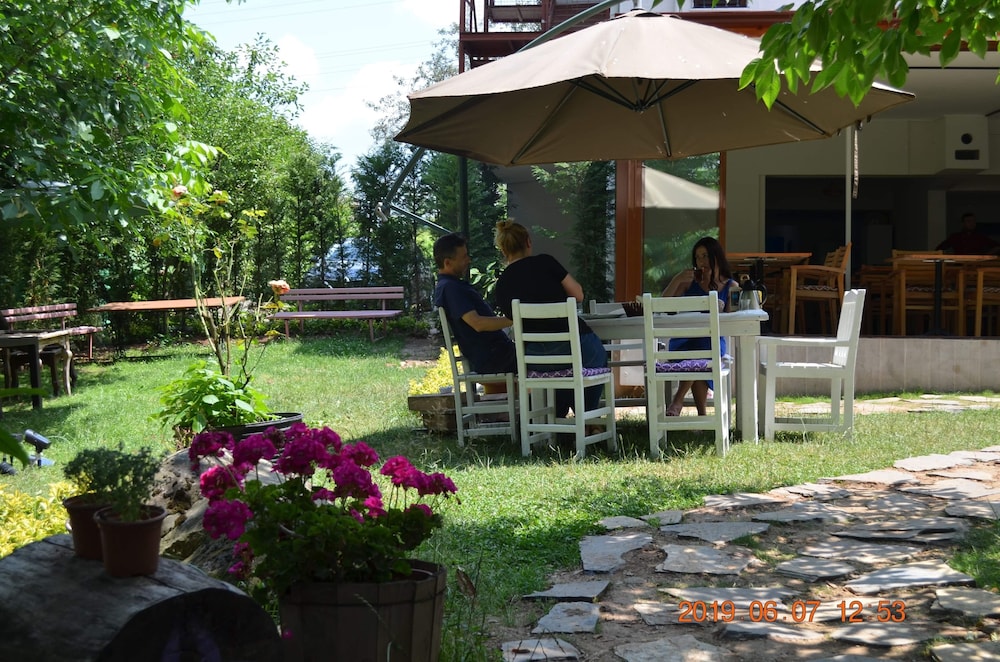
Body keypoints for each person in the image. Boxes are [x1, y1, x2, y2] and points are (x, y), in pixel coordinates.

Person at [492, 220, 608, 419]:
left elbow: (511, 319)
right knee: (597, 359)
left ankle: (558, 417)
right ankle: (589, 418)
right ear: (528, 242)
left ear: (503, 250)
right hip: (573, 348)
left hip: (536, 359)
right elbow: (578, 295)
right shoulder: (546, 263)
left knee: (559, 373)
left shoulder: (502, 284)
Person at [659, 236, 739, 417]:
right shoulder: (688, 283)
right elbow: (663, 305)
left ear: (716, 256)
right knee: (700, 355)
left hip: (712, 343)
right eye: (697, 257)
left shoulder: (731, 286)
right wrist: (677, 279)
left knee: (703, 349)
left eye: (705, 256)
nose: (701, 261)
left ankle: (677, 401)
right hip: (684, 341)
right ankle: (702, 416)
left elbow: (731, 320)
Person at [433, 233, 517, 375]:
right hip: (495, 358)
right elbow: (477, 323)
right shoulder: (450, 288)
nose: (468, 260)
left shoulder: (451, 285)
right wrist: (514, 319)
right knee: (546, 355)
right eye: (464, 257)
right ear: (447, 263)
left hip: (499, 354)